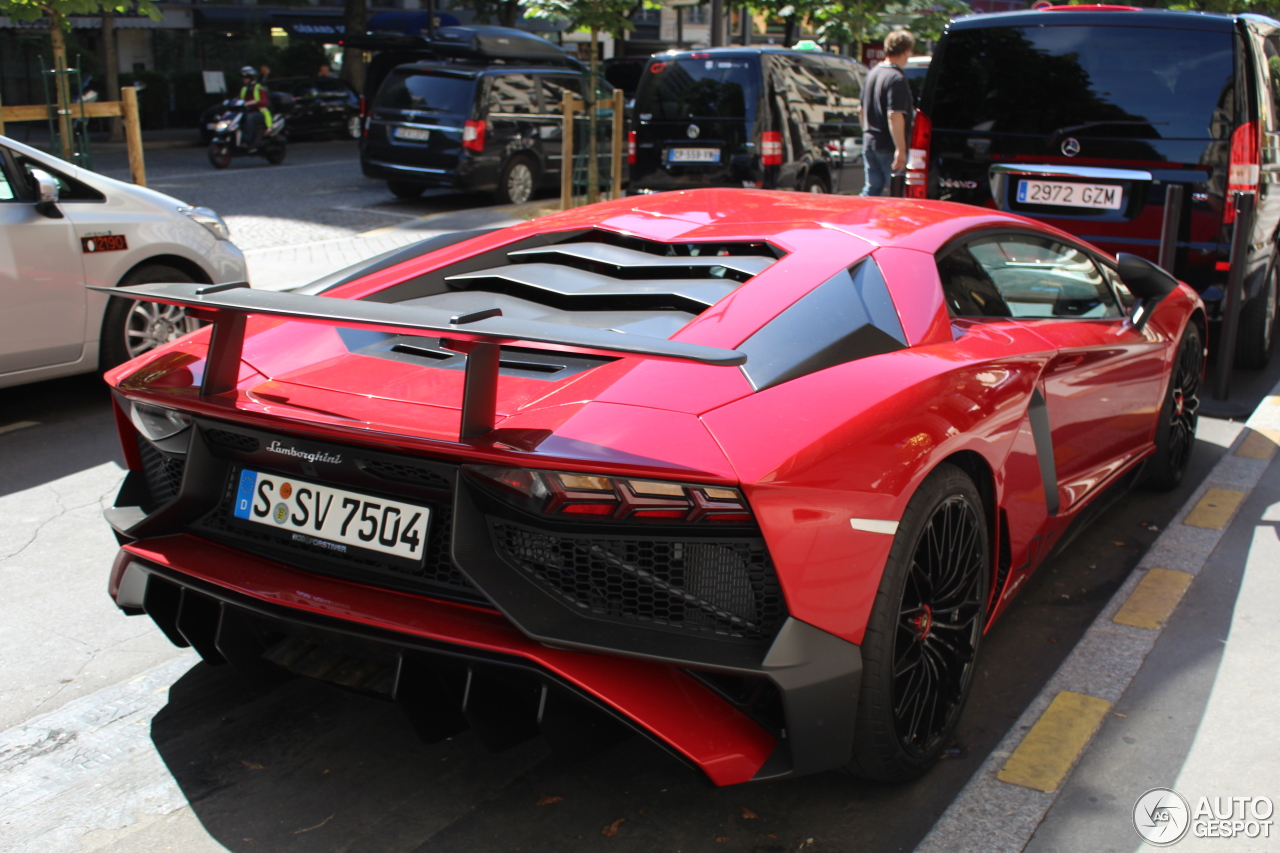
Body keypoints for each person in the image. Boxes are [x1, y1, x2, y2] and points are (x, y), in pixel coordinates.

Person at [859, 30, 916, 197]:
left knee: (872, 189)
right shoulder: (896, 78)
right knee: (895, 193)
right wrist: (901, 149)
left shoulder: (872, 73)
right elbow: (895, 115)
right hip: (888, 145)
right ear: (906, 51)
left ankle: (860, 220)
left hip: (869, 140)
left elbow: (860, 109)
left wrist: (866, 132)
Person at [238, 65, 272, 151]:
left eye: (246, 78)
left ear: (252, 78)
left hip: (260, 113)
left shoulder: (259, 88)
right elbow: (239, 99)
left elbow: (265, 102)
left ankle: (246, 141)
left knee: (250, 118)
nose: (244, 80)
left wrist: (253, 102)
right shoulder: (244, 89)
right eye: (243, 78)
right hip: (247, 111)